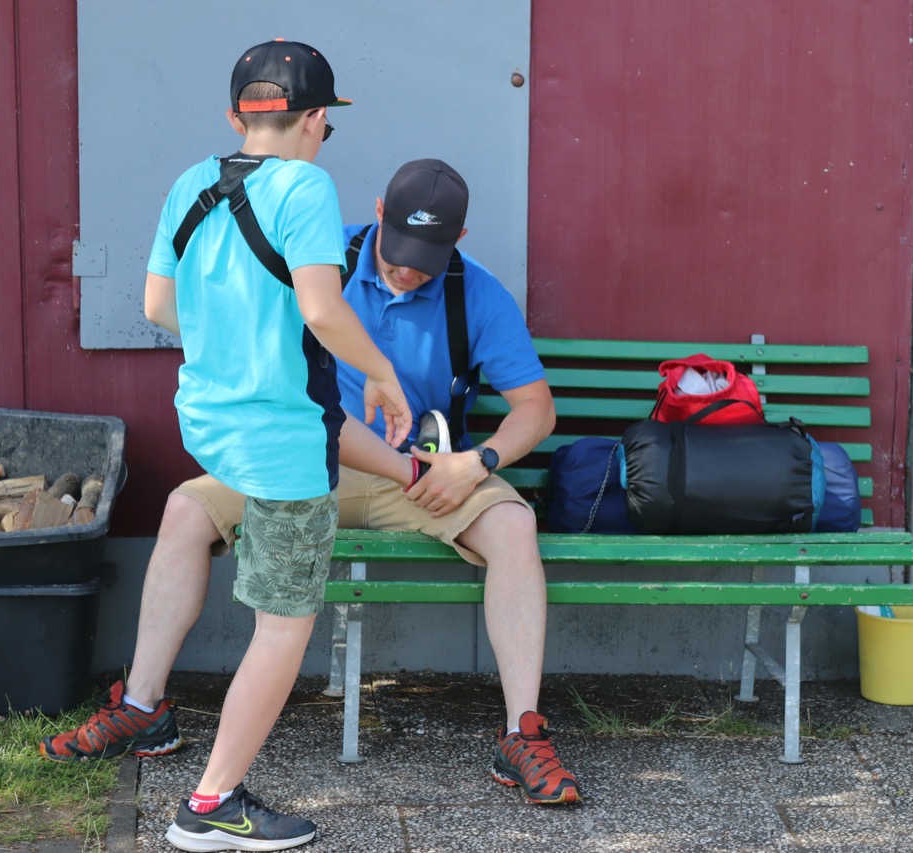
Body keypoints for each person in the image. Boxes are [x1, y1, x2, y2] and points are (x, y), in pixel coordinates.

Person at [40, 157, 582, 814]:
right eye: (397, 250)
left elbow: (536, 409)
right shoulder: (321, 263)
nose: (405, 269)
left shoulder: (479, 294)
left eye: (425, 259)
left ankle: (522, 733)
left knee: (514, 524)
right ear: (377, 213)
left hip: (419, 475)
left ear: (457, 240)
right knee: (186, 509)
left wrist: (479, 462)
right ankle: (142, 708)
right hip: (303, 461)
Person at [99, 39, 411, 852]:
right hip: (283, 441)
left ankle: (190, 761)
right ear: (315, 119)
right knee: (283, 625)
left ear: (237, 117)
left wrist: (233, 337)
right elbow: (322, 309)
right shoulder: (306, 186)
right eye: (325, 126)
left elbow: (158, 306)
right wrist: (382, 376)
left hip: (210, 422)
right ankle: (211, 804)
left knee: (258, 581)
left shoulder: (189, 183)